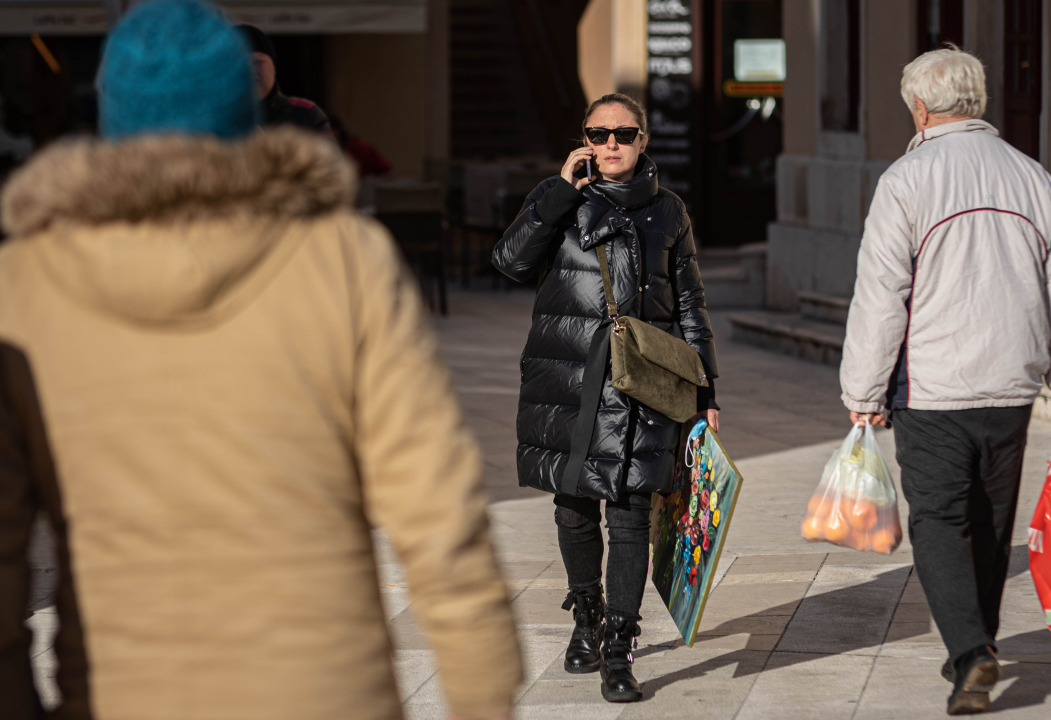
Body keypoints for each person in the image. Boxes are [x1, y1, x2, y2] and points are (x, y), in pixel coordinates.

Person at [0, 2, 521, 718]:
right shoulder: (342, 260)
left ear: (113, 123)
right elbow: (437, 507)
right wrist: (483, 696)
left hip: (124, 692)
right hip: (324, 689)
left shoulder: (27, 285)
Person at [840, 47, 1051, 715]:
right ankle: (972, 646)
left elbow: (880, 295)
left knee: (939, 521)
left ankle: (972, 653)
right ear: (976, 102)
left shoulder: (906, 179)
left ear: (920, 108)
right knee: (987, 522)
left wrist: (862, 392)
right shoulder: (1033, 178)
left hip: (932, 384)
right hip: (1011, 384)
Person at [492, 92, 719, 704]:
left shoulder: (669, 211)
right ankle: (585, 621)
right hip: (569, 379)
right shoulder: (561, 201)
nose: (611, 144)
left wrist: (706, 389)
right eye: (599, 133)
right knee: (573, 508)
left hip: (643, 382)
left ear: (644, 141)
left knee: (629, 514)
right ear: (584, 139)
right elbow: (510, 261)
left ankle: (618, 648)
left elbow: (691, 302)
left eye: (624, 134)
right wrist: (557, 193)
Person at [236, 24, 333, 136]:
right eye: (241, 63)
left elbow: (328, 153)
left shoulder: (306, 115)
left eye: (258, 62)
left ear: (274, 67)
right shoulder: (213, 119)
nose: (251, 71)